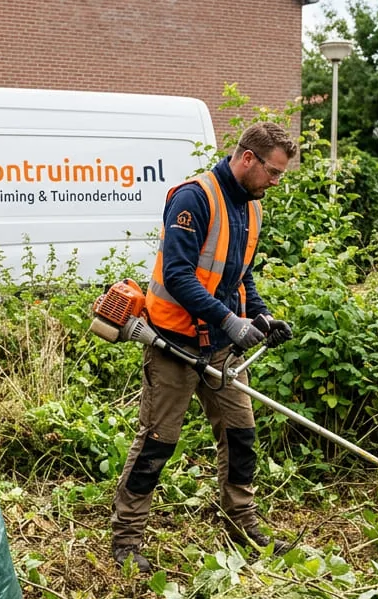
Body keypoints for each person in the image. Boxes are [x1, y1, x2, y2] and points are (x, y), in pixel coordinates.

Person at [110, 122, 298, 574]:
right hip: (173, 341)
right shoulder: (194, 197)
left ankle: (242, 523)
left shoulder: (252, 208)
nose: (275, 182)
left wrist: (261, 315)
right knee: (157, 443)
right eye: (272, 172)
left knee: (240, 435)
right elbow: (178, 274)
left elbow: (240, 275)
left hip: (221, 349)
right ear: (248, 158)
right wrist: (230, 321)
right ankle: (127, 539)